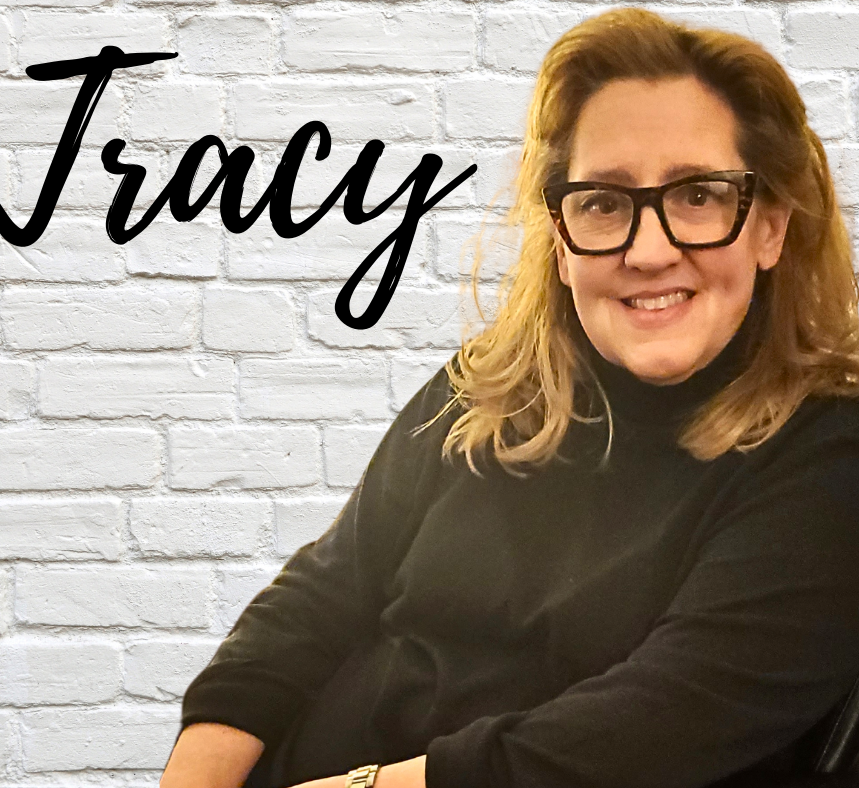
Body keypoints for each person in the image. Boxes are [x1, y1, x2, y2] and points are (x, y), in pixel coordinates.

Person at [160, 8, 859, 788]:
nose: (650, 248)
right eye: (603, 202)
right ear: (561, 242)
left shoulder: (830, 455)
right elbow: (319, 597)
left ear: (769, 227)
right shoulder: (488, 385)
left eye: (699, 195)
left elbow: (652, 734)